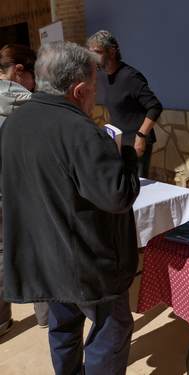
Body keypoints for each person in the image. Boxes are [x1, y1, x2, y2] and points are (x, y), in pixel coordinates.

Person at [0, 41, 140, 374]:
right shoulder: (81, 132)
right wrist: (128, 155)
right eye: (94, 87)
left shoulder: (12, 125)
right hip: (87, 264)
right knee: (112, 329)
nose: (96, 96)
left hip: (44, 256)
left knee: (64, 329)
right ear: (78, 90)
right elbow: (117, 196)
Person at [0, 44, 49, 336]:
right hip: (19, 189)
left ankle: (1, 320)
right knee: (38, 248)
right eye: (33, 75)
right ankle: (46, 314)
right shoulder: (25, 101)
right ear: (20, 71)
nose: (35, 83)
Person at [87, 30, 163, 178]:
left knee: (139, 188)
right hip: (119, 142)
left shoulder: (130, 77)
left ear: (112, 51)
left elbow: (155, 106)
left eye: (97, 52)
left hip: (136, 143)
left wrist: (141, 137)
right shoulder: (104, 76)